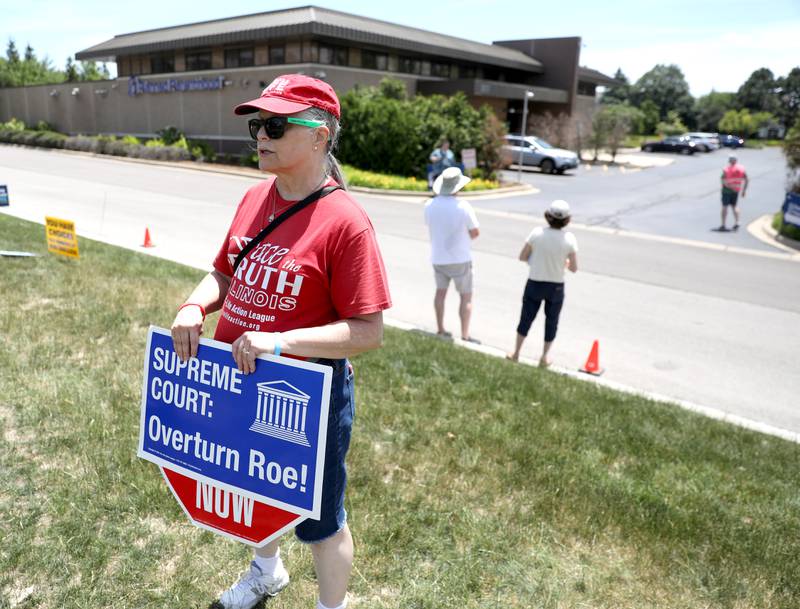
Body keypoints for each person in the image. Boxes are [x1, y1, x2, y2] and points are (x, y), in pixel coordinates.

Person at [170, 74, 391, 609]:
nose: (260, 136)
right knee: (254, 489)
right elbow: (224, 273)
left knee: (319, 518)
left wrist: (280, 340)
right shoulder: (253, 197)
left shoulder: (346, 223)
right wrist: (194, 304)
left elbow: (367, 331)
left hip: (305, 393)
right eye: (257, 125)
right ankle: (266, 572)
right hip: (237, 377)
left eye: (275, 124)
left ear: (319, 134)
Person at [507, 200, 578, 367]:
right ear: (567, 220)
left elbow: (522, 256)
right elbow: (574, 267)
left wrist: (535, 260)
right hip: (556, 286)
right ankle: (544, 357)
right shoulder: (569, 239)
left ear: (548, 216)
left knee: (526, 318)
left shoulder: (537, 233)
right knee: (552, 321)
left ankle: (516, 352)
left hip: (535, 282)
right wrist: (565, 263)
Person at [424, 166, 480, 342]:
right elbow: (475, 232)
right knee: (466, 296)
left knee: (440, 293)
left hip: (438, 257)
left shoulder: (430, 205)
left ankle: (440, 329)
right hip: (460, 258)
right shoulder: (463, 206)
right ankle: (464, 334)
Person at [719, 153, 748, 231]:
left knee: (725, 207)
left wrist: (730, 187)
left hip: (727, 190)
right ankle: (737, 222)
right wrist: (744, 190)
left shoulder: (726, 169)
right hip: (736, 190)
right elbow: (746, 179)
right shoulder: (741, 169)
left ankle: (723, 224)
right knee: (734, 206)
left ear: (729, 160)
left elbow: (723, 181)